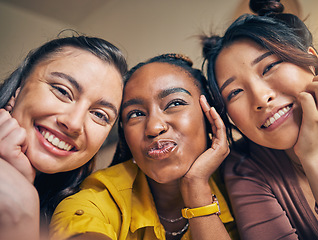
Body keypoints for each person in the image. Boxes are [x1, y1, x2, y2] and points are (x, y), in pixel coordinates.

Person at [201, 0, 318, 239]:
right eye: (234, 93)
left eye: (269, 67)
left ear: (312, 61)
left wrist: (316, 155)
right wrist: (315, 157)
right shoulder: (246, 167)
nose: (261, 98)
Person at [49, 53, 239, 240]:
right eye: (135, 114)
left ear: (210, 116)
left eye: (175, 103)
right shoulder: (95, 202)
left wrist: (197, 190)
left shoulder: (241, 188)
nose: (154, 127)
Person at [0, 34, 127, 240]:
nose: (74, 123)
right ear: (18, 89)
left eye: (99, 114)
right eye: (62, 91)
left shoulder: (80, 213)